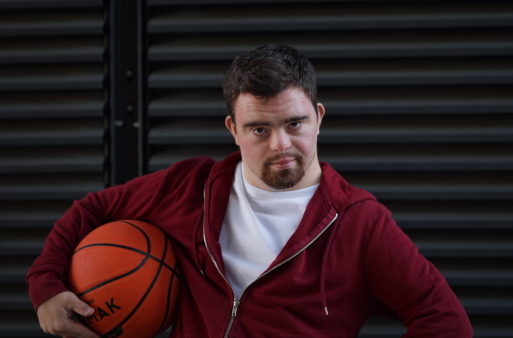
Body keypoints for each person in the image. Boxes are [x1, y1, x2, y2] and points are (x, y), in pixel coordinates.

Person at [27, 44, 473, 337]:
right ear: (233, 130)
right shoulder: (189, 188)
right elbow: (92, 209)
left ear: (318, 117)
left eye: (294, 123)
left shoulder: (359, 222)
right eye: (259, 128)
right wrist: (46, 288)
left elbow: (445, 321)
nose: (281, 145)